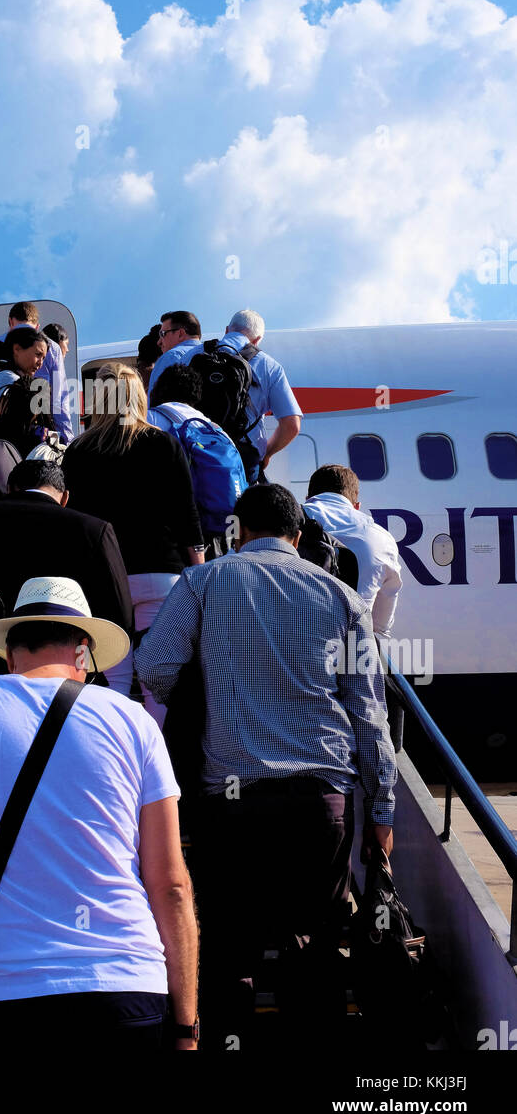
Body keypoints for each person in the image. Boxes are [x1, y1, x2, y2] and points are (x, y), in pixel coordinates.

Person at [0, 576, 199, 1052]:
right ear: (83, 652)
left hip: (8, 997)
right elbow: (171, 885)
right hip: (127, 989)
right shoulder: (134, 723)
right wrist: (187, 1028)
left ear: (9, 654)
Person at [135, 483, 397, 1051]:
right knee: (316, 949)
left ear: (241, 530)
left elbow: (154, 668)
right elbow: (370, 717)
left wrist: (210, 684)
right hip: (320, 802)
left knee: (228, 951)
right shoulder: (342, 598)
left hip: (232, 804)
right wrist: (382, 812)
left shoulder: (203, 581)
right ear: (298, 537)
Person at [61, 362, 205, 722]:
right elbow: (187, 517)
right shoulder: (163, 444)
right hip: (161, 574)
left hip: (105, 577)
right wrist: (201, 577)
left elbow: (75, 522)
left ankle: (115, 756)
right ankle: (156, 758)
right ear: (138, 398)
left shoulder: (78, 451)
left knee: (116, 678)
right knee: (158, 677)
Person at [0, 458, 134, 650]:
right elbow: (119, 607)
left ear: (9, 488)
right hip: (66, 643)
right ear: (65, 497)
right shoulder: (94, 529)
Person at [148, 363, 247, 558]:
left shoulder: (150, 419)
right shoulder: (217, 431)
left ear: (159, 390)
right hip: (220, 535)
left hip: (172, 539)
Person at [304, 464, 403, 639]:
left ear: (307, 498)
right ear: (356, 506)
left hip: (289, 644)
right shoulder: (382, 538)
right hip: (349, 649)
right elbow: (380, 624)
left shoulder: (289, 523)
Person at [207, 309, 301, 476]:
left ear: (227, 330)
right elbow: (291, 425)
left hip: (198, 448)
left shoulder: (195, 354)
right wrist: (267, 453)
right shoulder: (269, 366)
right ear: (257, 340)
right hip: (242, 456)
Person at [0, 301, 73, 441]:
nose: (39, 364)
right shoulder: (52, 347)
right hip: (36, 434)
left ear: (11, 322)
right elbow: (59, 400)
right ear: (37, 326)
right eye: (37, 355)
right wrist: (66, 440)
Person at [146, 311, 203, 401]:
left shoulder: (171, 357)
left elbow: (155, 407)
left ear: (180, 334)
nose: (159, 342)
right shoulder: (215, 353)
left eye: (163, 334)